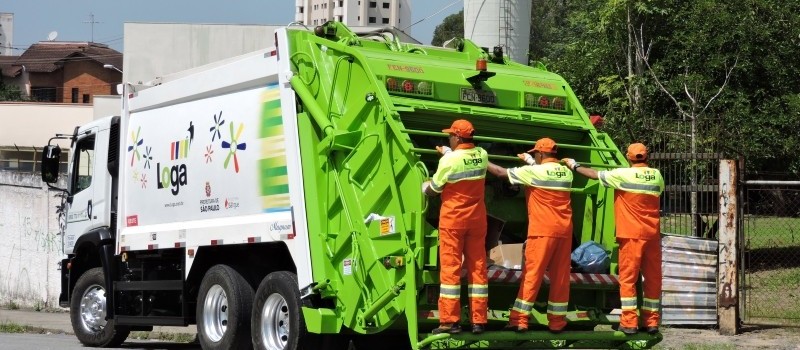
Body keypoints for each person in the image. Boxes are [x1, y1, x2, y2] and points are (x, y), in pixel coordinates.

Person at [562, 143, 664, 335]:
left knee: (628, 279)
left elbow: (594, 175)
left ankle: (629, 322)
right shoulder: (657, 175)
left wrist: (574, 165)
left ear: (628, 156)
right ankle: (651, 322)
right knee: (653, 278)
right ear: (646, 156)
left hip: (631, 235)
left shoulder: (622, 175)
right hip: (651, 235)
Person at [486, 137, 573, 333]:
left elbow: (501, 173)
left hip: (542, 232)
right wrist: (531, 161)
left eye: (535, 153)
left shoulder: (534, 172)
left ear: (541, 153)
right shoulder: (565, 172)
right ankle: (557, 322)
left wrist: (481, 158)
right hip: (564, 231)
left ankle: (519, 320)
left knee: (532, 275)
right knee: (560, 277)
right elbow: (546, 174)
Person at [422, 119, 489, 335]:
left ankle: (450, 322)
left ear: (457, 137)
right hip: (477, 219)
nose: (448, 137)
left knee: (451, 269)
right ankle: (479, 321)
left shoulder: (449, 162)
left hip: (453, 220)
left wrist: (424, 188)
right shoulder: (482, 155)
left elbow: (435, 188)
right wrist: (449, 153)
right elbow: (466, 160)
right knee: (478, 268)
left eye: (451, 135)